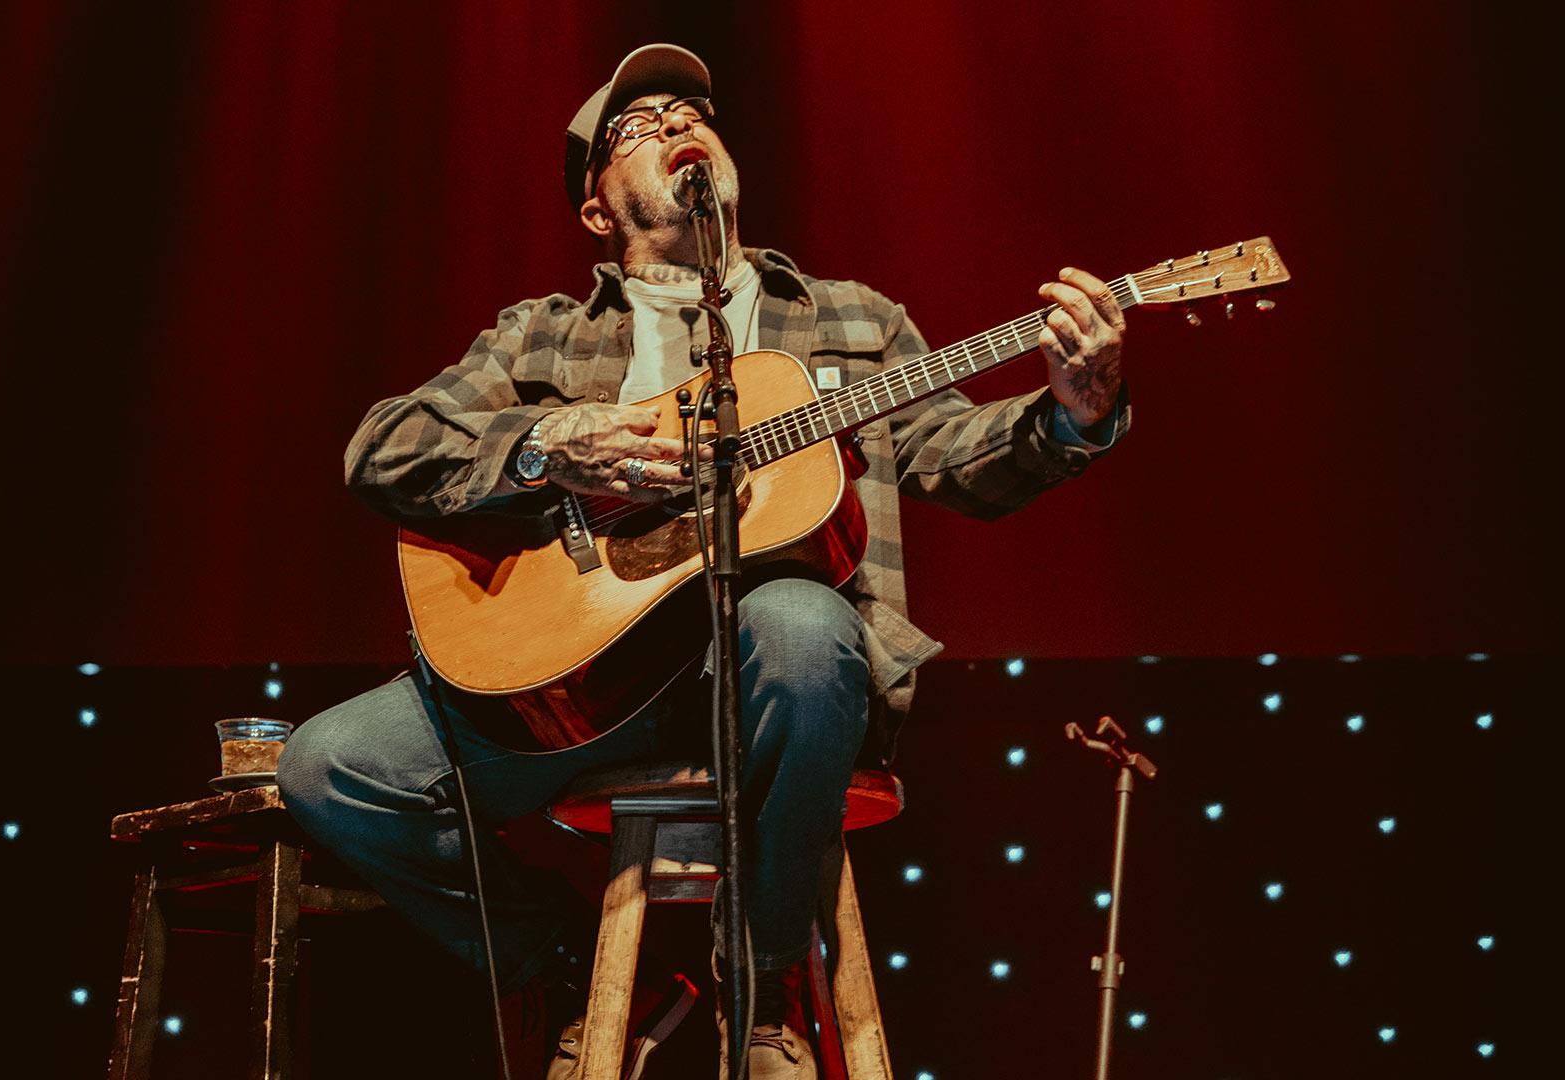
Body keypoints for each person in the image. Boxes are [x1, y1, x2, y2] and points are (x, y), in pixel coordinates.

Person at [276, 43, 1128, 1080]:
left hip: (776, 682)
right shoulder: (541, 338)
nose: (679, 124)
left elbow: (959, 456)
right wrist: (554, 442)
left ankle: (760, 989)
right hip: (581, 677)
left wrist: (1075, 416)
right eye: (638, 127)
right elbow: (384, 448)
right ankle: (573, 956)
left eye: (692, 111)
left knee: (808, 626)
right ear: (597, 209)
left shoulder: (849, 320)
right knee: (328, 769)